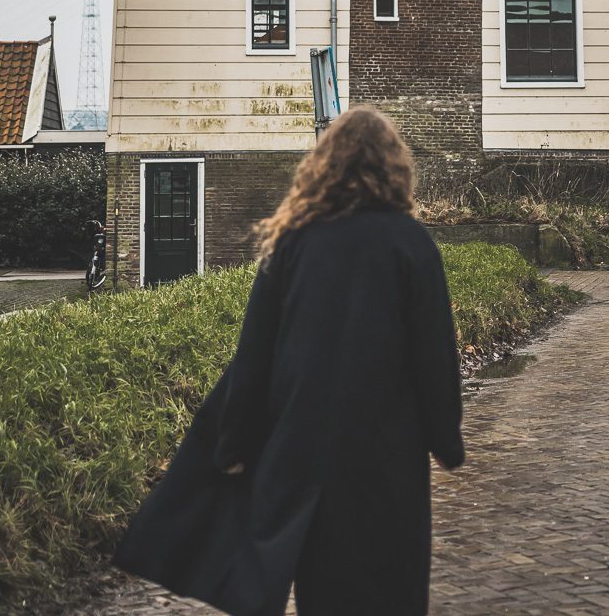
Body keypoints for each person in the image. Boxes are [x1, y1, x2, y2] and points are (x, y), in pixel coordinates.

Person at [114, 104, 464, 616]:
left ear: (325, 165)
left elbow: (255, 352)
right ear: (394, 167)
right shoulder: (412, 245)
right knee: (393, 588)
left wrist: (234, 441)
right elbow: (435, 355)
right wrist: (445, 440)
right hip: (388, 457)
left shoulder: (295, 242)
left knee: (323, 590)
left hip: (307, 454)